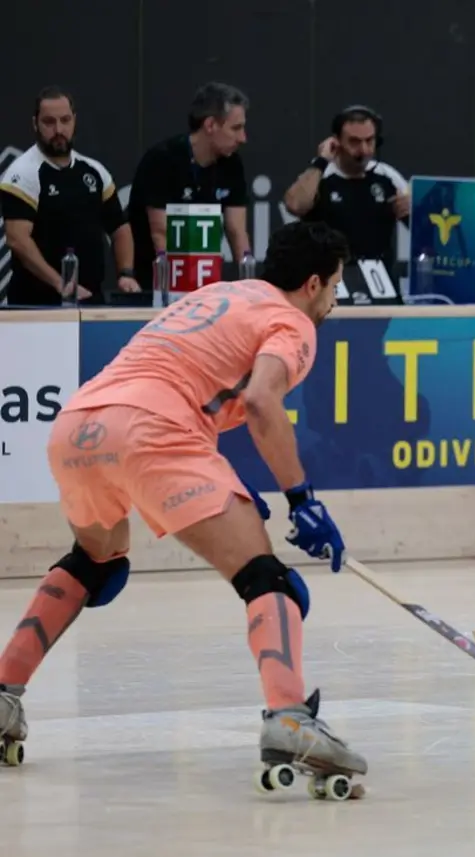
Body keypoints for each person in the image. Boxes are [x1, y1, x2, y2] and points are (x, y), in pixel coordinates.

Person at [0, 221, 367, 790]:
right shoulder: (293, 322)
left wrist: (227, 477)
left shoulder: (222, 293)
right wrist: (302, 500)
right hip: (153, 431)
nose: (334, 303)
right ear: (313, 283)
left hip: (79, 425)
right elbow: (260, 402)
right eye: (336, 288)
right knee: (268, 581)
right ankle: (290, 719)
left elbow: (195, 383)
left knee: (93, 563)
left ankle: (2, 694)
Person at [0, 86, 139, 306]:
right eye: (49, 122)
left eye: (65, 120)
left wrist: (126, 273)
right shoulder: (23, 173)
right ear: (35, 123)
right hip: (35, 305)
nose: (58, 129)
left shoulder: (94, 171)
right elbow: (18, 240)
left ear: (74, 120)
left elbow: (120, 228)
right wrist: (59, 283)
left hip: (90, 300)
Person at [126, 82, 253, 293]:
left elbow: (237, 230)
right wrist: (183, 294)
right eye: (236, 128)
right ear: (210, 125)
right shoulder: (162, 159)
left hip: (204, 286)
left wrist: (250, 289)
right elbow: (161, 234)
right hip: (157, 285)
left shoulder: (232, 163)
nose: (243, 138)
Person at [282, 105, 409, 264]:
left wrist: (412, 210)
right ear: (336, 142)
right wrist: (322, 161)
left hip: (380, 279)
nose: (363, 150)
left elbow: (423, 228)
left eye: (369, 141)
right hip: (330, 278)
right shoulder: (320, 174)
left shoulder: (386, 176)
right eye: (354, 142)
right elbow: (295, 205)